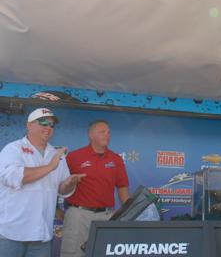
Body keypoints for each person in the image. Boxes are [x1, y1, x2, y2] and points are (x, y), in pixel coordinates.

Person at [0, 108, 84, 257]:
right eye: (43, 122)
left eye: (52, 125)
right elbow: (12, 177)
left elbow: (62, 190)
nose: (48, 127)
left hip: (41, 234)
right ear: (29, 125)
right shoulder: (13, 149)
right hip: (11, 233)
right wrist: (50, 166)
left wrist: (69, 183)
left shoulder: (56, 154)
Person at [60, 120, 129, 257]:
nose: (107, 135)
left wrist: (128, 213)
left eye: (108, 132)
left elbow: (122, 188)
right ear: (91, 135)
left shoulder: (116, 159)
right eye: (102, 132)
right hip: (79, 216)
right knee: (73, 254)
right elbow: (58, 184)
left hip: (106, 216)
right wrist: (56, 208)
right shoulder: (74, 157)